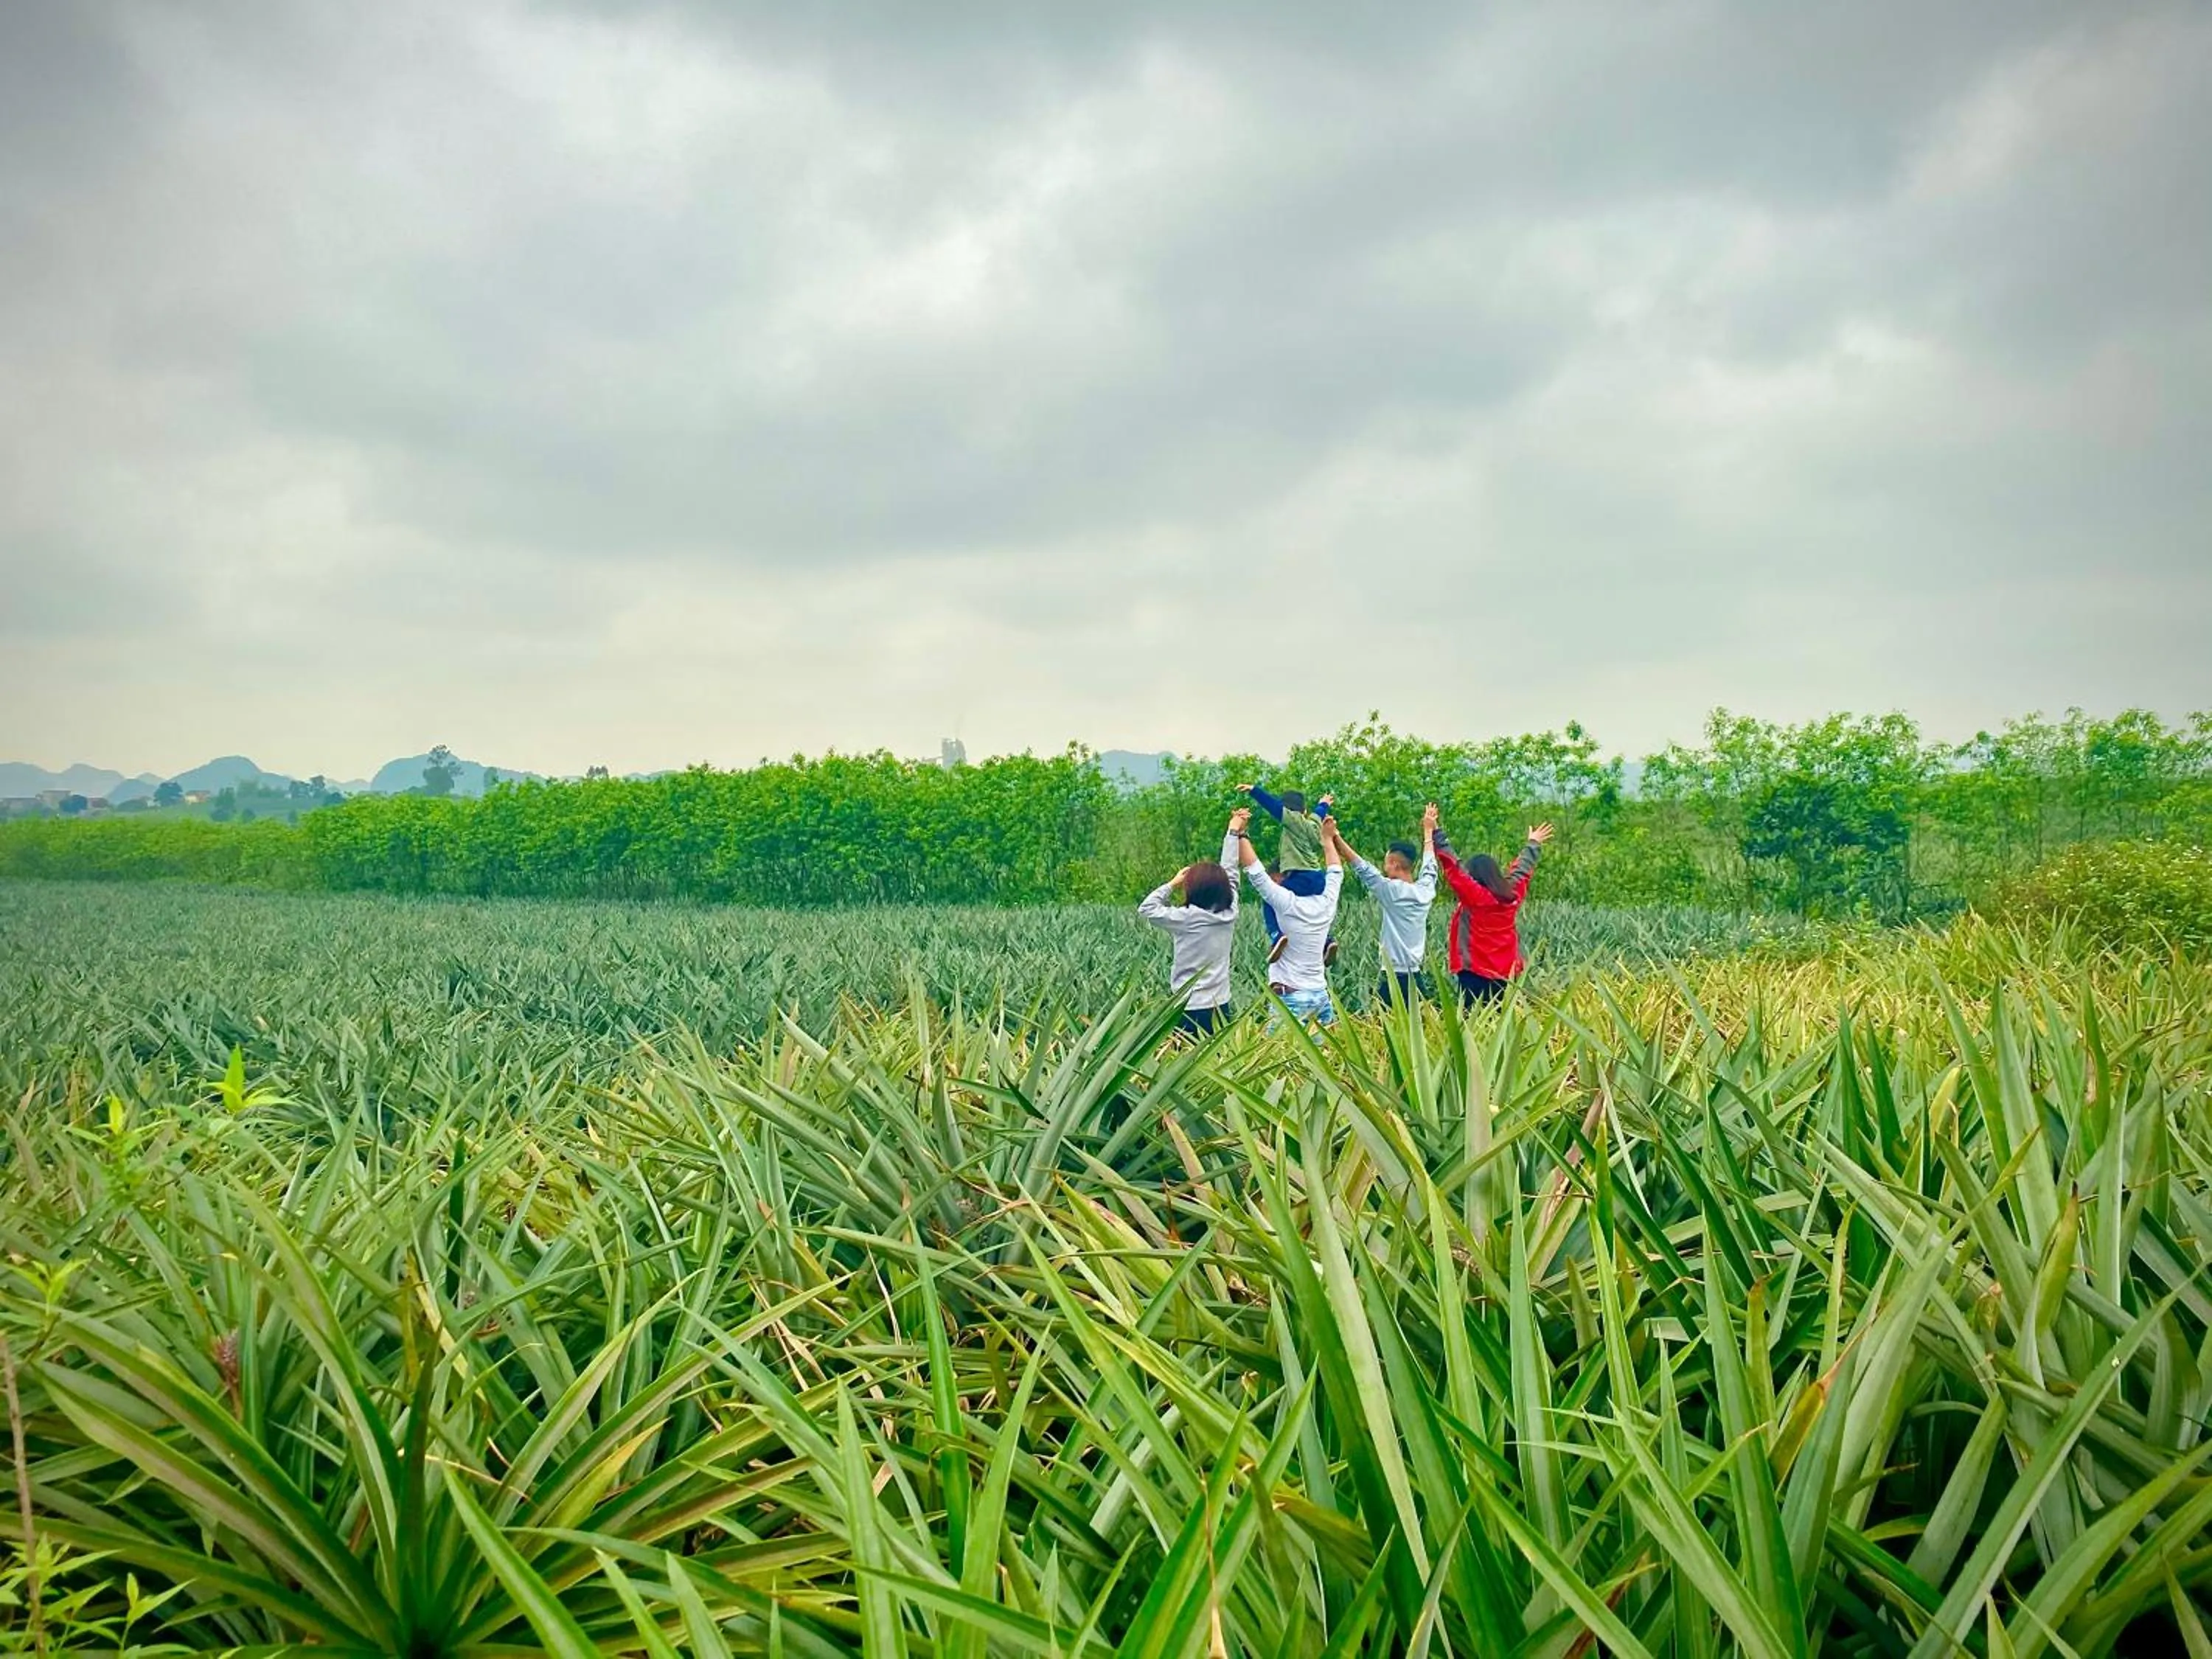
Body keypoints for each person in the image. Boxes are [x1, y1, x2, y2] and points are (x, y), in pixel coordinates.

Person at [1231, 804, 1343, 1026]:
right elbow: (1335, 871)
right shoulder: (1326, 901)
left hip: (1290, 997)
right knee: (1323, 1058)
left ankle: (1277, 938)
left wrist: (1240, 833)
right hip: (1320, 995)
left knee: (1283, 1059)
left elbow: (1256, 873)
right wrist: (1328, 840)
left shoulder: (1286, 903)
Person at [1136, 819, 1243, 1035]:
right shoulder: (1229, 913)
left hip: (1188, 1007)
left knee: (1188, 1063)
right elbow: (1231, 875)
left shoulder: (1185, 919)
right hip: (1221, 1004)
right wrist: (1233, 833)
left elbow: (1146, 909)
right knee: (1220, 1061)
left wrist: (1172, 883)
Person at [1325, 803, 1439, 1006]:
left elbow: (1361, 867)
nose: (1384, 868)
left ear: (1395, 864)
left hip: (1393, 976)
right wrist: (1428, 830)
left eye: (1386, 863)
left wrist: (1334, 837)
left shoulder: (1391, 891)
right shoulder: (1426, 891)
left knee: (1383, 1030)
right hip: (1415, 975)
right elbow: (1430, 866)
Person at [1434, 821, 1554, 1005]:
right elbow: (1522, 869)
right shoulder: (1512, 894)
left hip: (1475, 971)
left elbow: (1454, 869)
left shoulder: (1477, 898)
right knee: (1501, 1020)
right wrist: (1533, 844)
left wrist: (1437, 834)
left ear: (1475, 876)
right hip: (1506, 970)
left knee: (1474, 1024)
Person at [1237, 782, 1339, 964]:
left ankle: (1276, 935)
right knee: (1314, 912)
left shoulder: (1293, 820)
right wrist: (1324, 803)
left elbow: (1273, 806)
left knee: (1270, 899)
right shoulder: (1314, 825)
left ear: (1288, 811)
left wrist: (1255, 791)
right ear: (1305, 810)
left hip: (1299, 876)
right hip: (1317, 878)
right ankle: (1327, 940)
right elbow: (1318, 813)